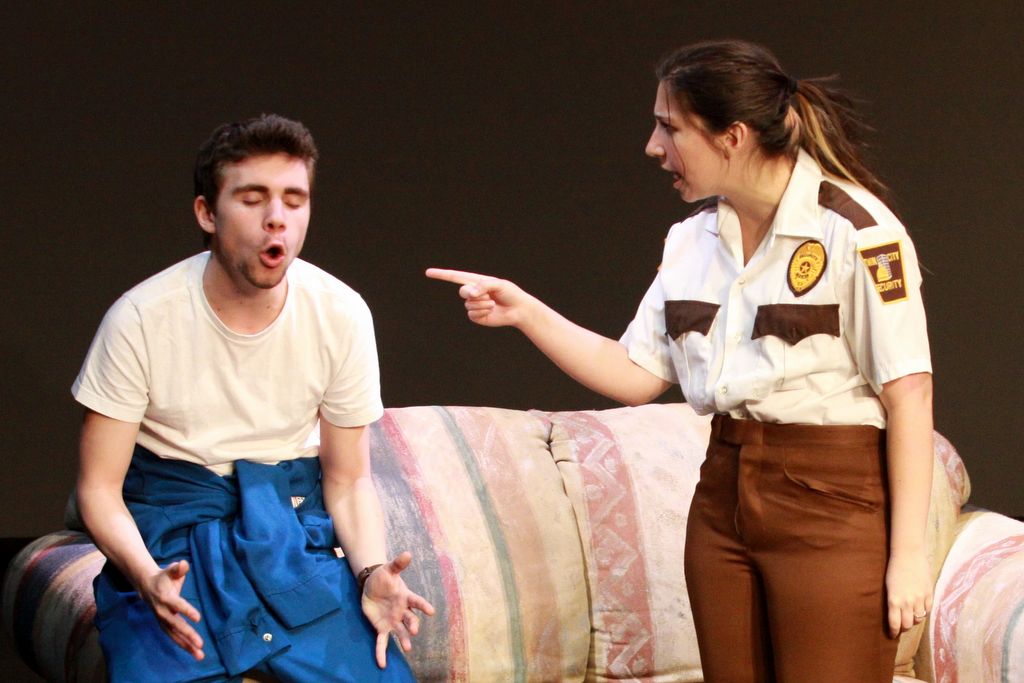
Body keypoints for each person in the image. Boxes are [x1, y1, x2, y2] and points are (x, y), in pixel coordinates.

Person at [427, 39, 932, 682]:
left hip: (830, 502)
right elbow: (635, 374)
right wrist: (525, 312)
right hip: (723, 496)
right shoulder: (692, 241)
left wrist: (908, 554)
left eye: (670, 127)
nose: (653, 146)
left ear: (732, 137)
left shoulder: (859, 233)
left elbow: (909, 393)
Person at [74, 114, 434, 682]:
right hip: (171, 533)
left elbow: (347, 479)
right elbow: (98, 488)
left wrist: (370, 573)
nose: (277, 218)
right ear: (206, 213)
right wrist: (146, 576)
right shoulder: (141, 318)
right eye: (252, 198)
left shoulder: (340, 313)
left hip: (287, 533)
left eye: (295, 200)